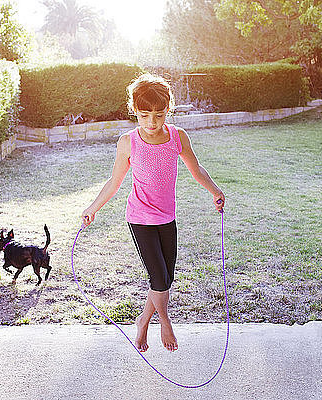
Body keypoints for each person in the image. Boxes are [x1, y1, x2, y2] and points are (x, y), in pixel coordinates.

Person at [81, 73, 225, 352]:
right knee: (159, 277)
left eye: (158, 115)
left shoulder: (177, 137)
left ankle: (142, 322)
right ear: (134, 111)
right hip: (139, 218)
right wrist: (92, 208)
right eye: (144, 115)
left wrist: (216, 191)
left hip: (167, 218)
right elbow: (114, 182)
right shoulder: (128, 142)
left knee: (165, 278)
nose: (151, 122)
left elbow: (196, 169)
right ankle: (165, 321)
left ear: (168, 110)